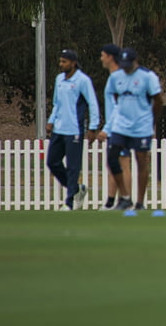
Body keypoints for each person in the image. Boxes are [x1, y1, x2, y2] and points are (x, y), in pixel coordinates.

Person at [98, 47, 163, 211]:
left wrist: (151, 120)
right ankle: (125, 197)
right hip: (121, 126)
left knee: (141, 162)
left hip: (141, 125)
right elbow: (114, 97)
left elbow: (159, 100)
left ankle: (139, 202)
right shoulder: (115, 77)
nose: (125, 68)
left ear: (135, 61)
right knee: (112, 157)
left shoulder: (147, 77)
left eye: (128, 64)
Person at [46, 49, 100, 210]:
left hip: (75, 129)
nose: (61, 64)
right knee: (52, 162)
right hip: (59, 128)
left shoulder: (83, 80)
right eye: (60, 61)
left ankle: (69, 203)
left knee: (73, 166)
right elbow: (57, 103)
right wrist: (51, 120)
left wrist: (93, 126)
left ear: (73, 63)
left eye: (64, 62)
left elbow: (92, 103)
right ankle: (76, 189)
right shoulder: (59, 79)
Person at [97, 43, 131, 210]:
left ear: (110, 57)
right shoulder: (114, 77)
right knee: (114, 164)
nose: (101, 58)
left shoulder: (119, 78)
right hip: (117, 128)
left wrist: (106, 128)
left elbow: (119, 106)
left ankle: (126, 201)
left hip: (120, 128)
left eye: (103, 55)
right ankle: (112, 202)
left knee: (123, 164)